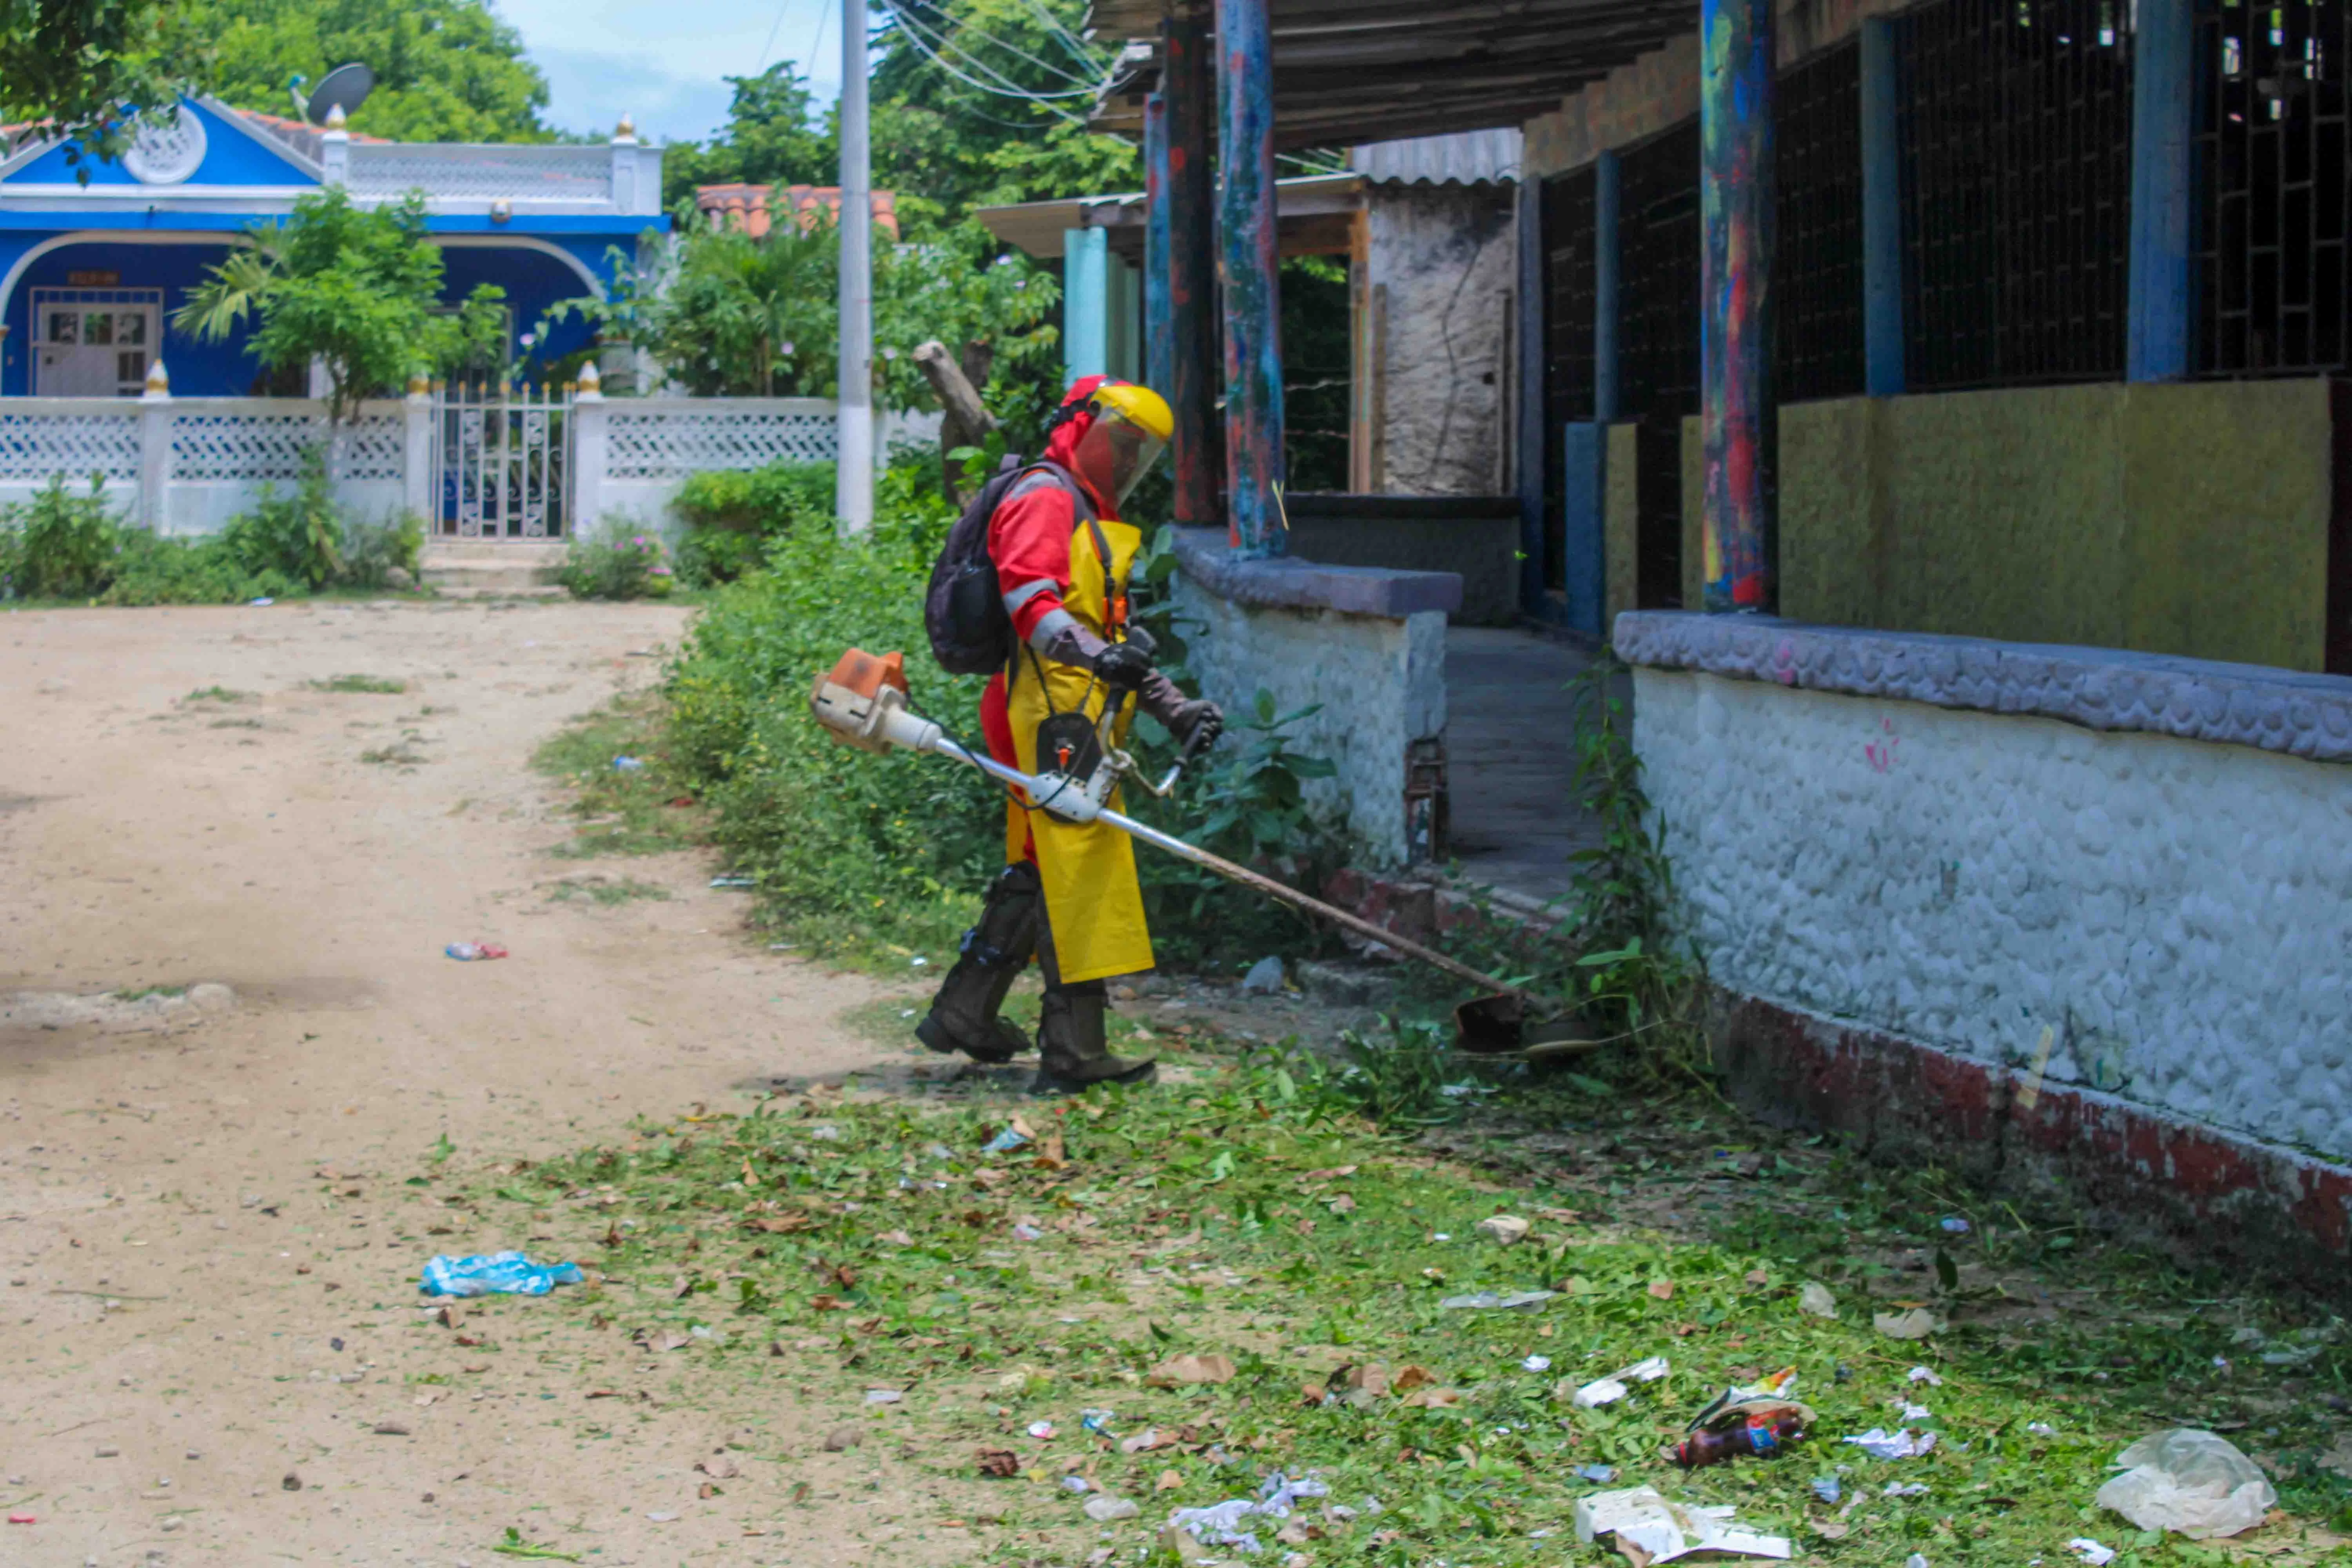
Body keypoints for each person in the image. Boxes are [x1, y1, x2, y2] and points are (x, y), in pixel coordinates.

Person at [915, 376, 1222, 1092]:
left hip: (1075, 709)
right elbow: (1032, 601)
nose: (1126, 460)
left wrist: (1172, 705)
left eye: (1138, 452)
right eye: (1118, 442)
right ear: (1081, 428)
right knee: (1073, 870)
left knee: (1045, 863)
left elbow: (1115, 637)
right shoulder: (1046, 494)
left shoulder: (1090, 510)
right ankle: (1074, 1052)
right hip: (1043, 711)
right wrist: (1099, 657)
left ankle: (964, 1014)